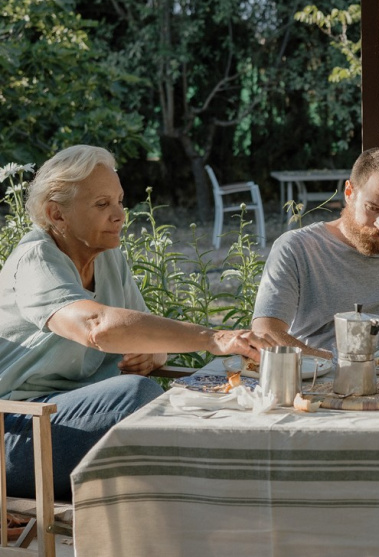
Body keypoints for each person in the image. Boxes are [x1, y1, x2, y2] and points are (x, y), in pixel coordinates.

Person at [0, 145, 274, 499]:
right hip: (20, 430)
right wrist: (212, 337)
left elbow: (149, 343)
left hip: (78, 421)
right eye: (102, 204)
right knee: (135, 396)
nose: (119, 215)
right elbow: (96, 327)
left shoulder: (107, 256)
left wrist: (151, 355)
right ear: (57, 214)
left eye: (119, 201)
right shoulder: (37, 259)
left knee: (215, 396)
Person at [252, 147, 379, 357]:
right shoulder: (297, 248)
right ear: (349, 193)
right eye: (373, 208)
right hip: (318, 373)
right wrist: (344, 364)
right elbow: (266, 333)